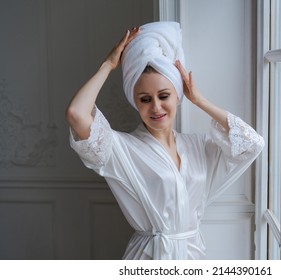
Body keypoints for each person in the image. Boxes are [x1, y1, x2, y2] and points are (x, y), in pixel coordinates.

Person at [66, 21, 264, 260]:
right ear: (135, 102)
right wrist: (108, 65)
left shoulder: (198, 146)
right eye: (145, 99)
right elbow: (77, 113)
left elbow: (253, 143)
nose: (156, 107)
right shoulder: (122, 149)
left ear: (178, 96)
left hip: (193, 255)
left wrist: (199, 100)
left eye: (164, 95)